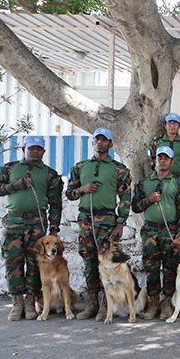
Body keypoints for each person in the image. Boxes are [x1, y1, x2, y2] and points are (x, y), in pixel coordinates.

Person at [0, 136, 63, 321]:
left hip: (36, 224)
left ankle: (30, 301)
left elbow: (55, 203)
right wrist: (13, 186)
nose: (35, 151)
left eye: (39, 148)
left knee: (35, 263)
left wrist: (54, 229)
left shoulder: (50, 174)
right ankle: (17, 302)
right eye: (31, 148)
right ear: (24, 148)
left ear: (44, 151)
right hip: (13, 222)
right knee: (12, 262)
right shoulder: (9, 168)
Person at [66, 128, 132, 321]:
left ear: (110, 144)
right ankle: (93, 303)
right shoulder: (80, 167)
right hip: (86, 221)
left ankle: (106, 304)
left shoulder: (120, 169)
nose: (100, 142)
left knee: (109, 264)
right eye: (97, 139)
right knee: (89, 262)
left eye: (105, 140)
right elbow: (69, 193)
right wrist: (82, 189)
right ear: (93, 142)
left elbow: (126, 197)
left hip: (107, 221)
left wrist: (120, 223)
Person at [131, 147, 180, 320]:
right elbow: (135, 206)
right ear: (154, 161)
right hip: (150, 231)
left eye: (166, 158)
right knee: (151, 269)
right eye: (159, 158)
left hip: (170, 230)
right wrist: (148, 200)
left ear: (172, 162)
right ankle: (154, 303)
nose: (162, 160)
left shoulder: (178, 185)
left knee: (170, 269)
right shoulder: (144, 183)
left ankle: (167, 304)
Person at [148, 113, 180, 181]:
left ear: (179, 126)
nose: (172, 126)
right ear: (165, 125)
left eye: (175, 123)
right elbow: (152, 158)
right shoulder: (158, 141)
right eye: (169, 123)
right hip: (161, 178)